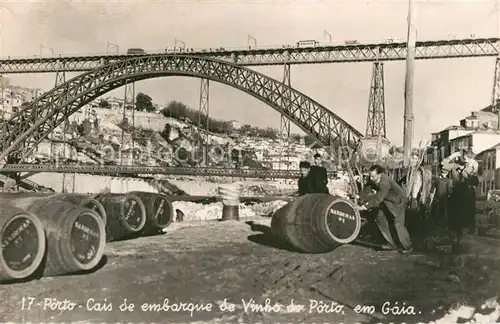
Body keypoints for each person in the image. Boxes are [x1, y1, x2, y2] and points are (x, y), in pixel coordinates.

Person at [357, 164, 413, 253]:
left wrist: (364, 207)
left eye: (373, 176)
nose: (371, 178)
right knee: (380, 219)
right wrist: (358, 196)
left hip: (398, 202)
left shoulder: (384, 183)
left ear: (379, 174)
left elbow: (378, 198)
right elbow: (368, 188)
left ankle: (408, 247)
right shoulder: (373, 179)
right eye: (370, 176)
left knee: (398, 224)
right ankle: (391, 243)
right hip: (387, 201)